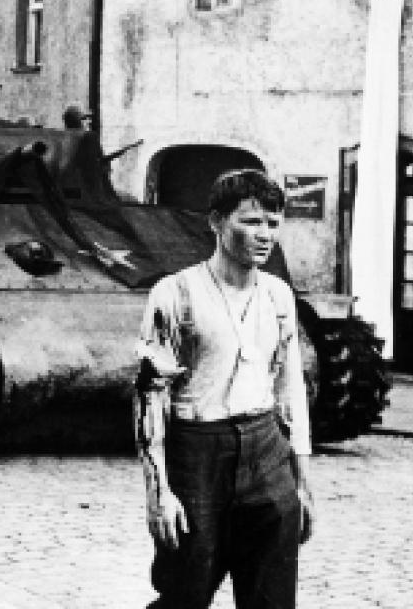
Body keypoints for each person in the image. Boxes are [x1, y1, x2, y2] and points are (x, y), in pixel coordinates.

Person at [134, 169, 314, 609]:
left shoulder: (278, 296)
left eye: (273, 223)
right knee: (185, 591)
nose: (264, 234)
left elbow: (291, 388)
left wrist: (301, 482)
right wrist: (159, 492)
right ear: (215, 221)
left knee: (271, 598)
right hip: (198, 452)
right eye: (250, 222)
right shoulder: (174, 294)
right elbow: (150, 397)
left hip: (266, 449)